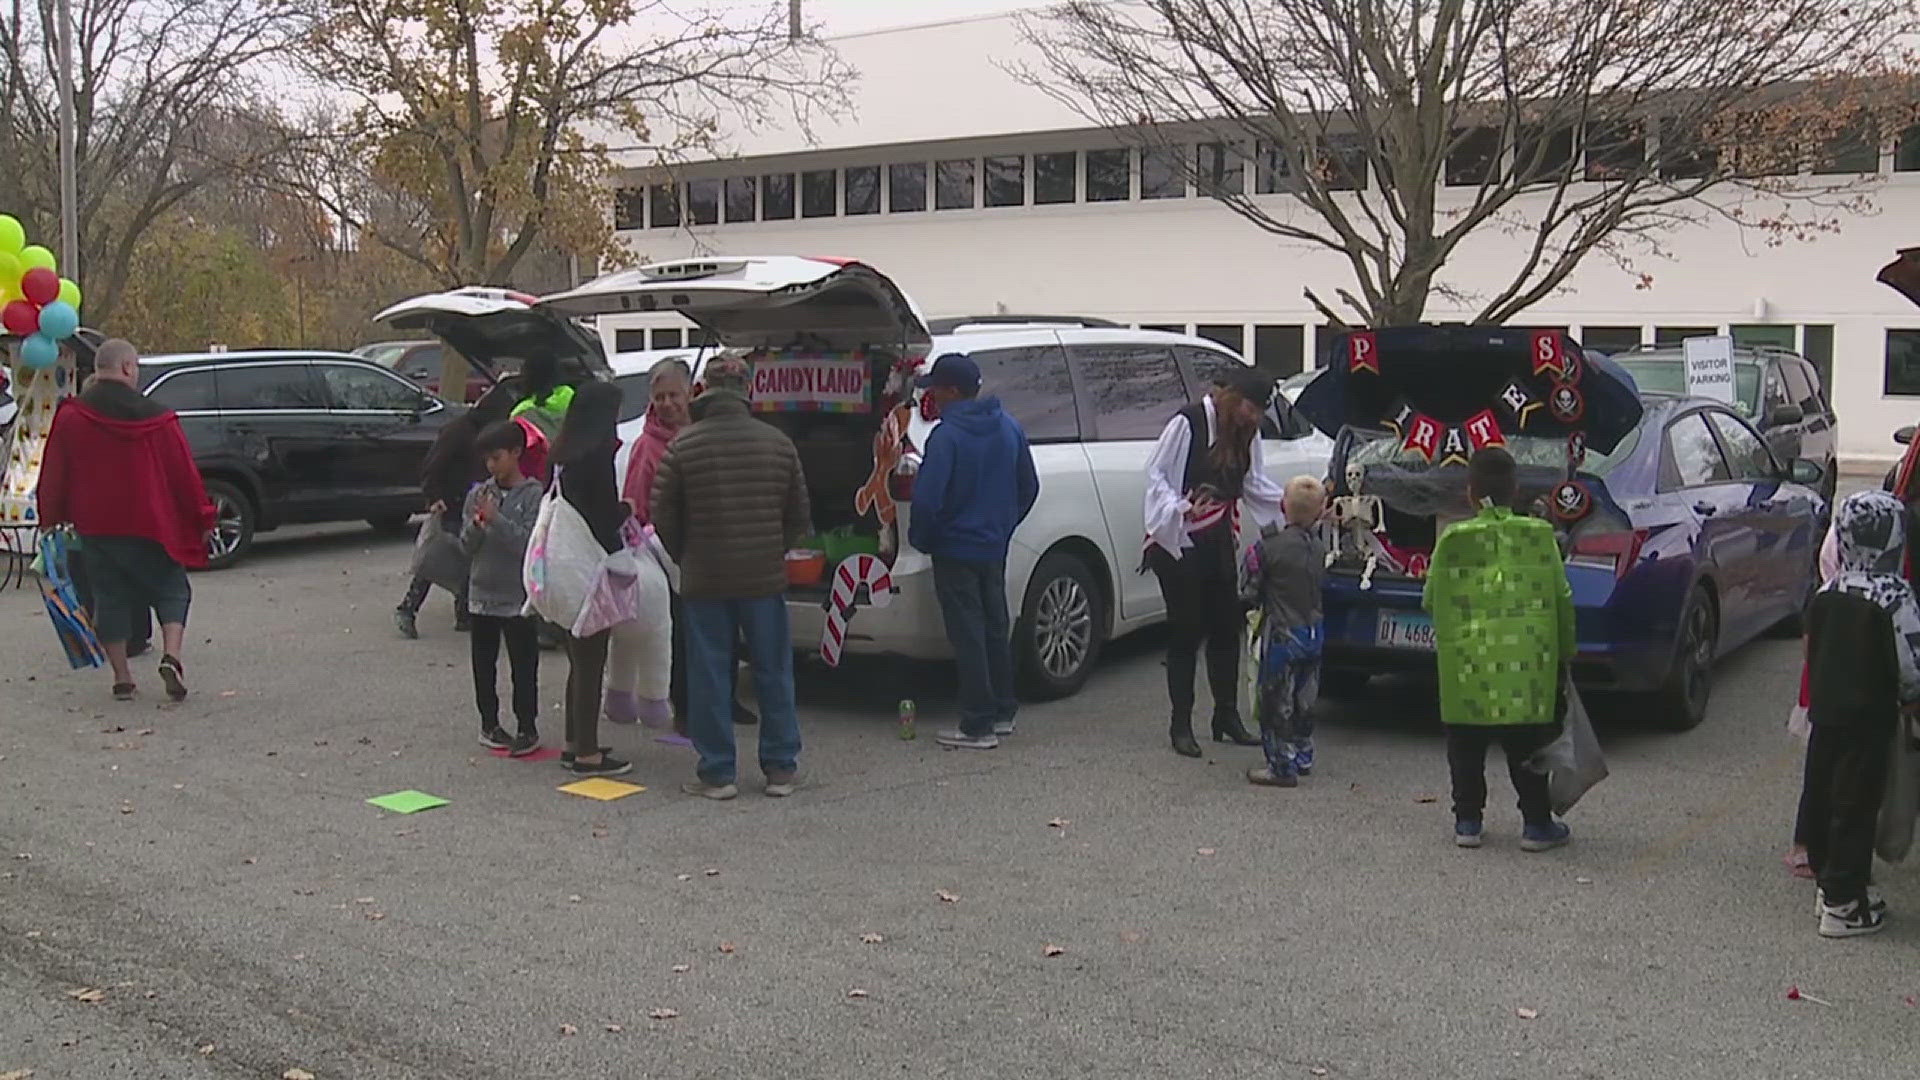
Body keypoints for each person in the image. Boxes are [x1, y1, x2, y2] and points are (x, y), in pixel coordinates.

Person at [652, 354, 811, 800]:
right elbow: (799, 514)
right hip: (763, 578)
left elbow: (662, 512)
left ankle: (718, 773)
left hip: (705, 578)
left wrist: (686, 552)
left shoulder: (684, 446)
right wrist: (771, 549)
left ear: (705, 389)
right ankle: (781, 768)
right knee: (774, 671)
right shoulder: (778, 444)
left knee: (710, 674)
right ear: (747, 391)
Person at [36, 339, 213, 702]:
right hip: (153, 522)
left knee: (109, 596)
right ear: (128, 368)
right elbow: (184, 474)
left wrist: (49, 518)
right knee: (171, 587)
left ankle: (122, 678)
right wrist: (202, 515)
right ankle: (172, 657)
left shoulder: (71, 416)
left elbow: (53, 474)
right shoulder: (159, 417)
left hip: (97, 525)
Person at [1423, 447, 1574, 852]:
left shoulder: (1453, 539)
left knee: (1465, 746)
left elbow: (1430, 597)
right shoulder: (1540, 536)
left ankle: (1468, 822)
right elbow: (1562, 597)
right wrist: (1566, 652)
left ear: (1470, 493)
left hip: (1465, 663)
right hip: (1527, 663)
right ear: (1517, 490)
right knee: (1527, 743)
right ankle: (1537, 824)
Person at [1142, 367, 1286, 757]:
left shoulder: (1245, 433)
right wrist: (1179, 508)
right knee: (1186, 630)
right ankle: (1180, 724)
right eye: (1249, 408)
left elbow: (1253, 483)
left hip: (1217, 535)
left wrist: (1291, 505)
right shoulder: (1189, 422)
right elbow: (1156, 474)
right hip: (1179, 540)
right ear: (1231, 396)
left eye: (1258, 412)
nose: (1253, 418)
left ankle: (1226, 716)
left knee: (1226, 627)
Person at [1798, 490, 1920, 937]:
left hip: (1827, 713)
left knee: (1827, 793)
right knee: (1858, 804)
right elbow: (1911, 664)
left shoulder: (1829, 590)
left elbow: (1811, 646)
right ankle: (1844, 903)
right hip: (1870, 718)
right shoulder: (1894, 596)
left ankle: (1828, 879)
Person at [615, 357, 756, 733]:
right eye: (659, 397)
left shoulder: (706, 431)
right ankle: (688, 709)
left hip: (712, 547)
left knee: (723, 629)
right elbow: (635, 505)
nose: (667, 404)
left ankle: (726, 698)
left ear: (690, 393)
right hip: (666, 553)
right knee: (681, 634)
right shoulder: (645, 446)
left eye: (673, 395)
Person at [907, 353, 1040, 750]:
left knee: (967, 634)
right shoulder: (1009, 427)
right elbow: (1028, 487)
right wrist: (1003, 526)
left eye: (936, 388)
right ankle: (1002, 712)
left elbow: (928, 499)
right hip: (992, 547)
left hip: (954, 547)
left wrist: (924, 539)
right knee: (995, 627)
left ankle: (976, 724)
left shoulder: (946, 436)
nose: (932, 395)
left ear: (952, 390)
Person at [552, 380, 634, 777]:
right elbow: (603, 519)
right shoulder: (597, 458)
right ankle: (586, 751)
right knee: (591, 660)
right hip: (592, 568)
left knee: (577, 659)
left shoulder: (566, 455)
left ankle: (574, 741)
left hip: (570, 567)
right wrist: (626, 510)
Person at [395, 381, 519, 638]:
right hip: (451, 501)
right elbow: (433, 465)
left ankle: (464, 611)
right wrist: (434, 497)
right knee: (435, 557)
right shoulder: (459, 431)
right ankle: (409, 607)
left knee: (470, 556)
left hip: (472, 499)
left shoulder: (484, 432)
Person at [459, 420, 546, 756]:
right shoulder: (479, 494)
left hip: (517, 597)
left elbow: (529, 544)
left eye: (497, 457)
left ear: (516, 453)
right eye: (487, 460)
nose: (492, 466)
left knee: (524, 664)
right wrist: (478, 525)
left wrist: (497, 520)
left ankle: (527, 725)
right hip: (482, 594)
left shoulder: (533, 495)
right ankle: (489, 724)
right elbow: (466, 546)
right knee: (484, 662)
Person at [1243, 476, 1328, 787]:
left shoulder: (1266, 548)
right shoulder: (1319, 548)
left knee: (1275, 700)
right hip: (1314, 633)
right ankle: (1303, 753)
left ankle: (1281, 766)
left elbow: (1249, 591)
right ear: (1321, 512)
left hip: (1281, 635)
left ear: (1282, 506)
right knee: (1305, 698)